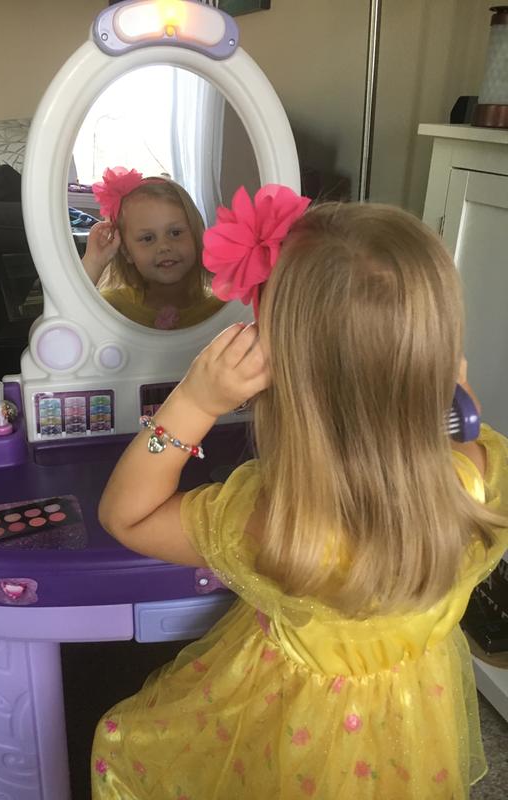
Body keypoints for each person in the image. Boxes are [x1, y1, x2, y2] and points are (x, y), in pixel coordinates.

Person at [90, 187, 508, 799]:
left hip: (295, 726)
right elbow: (455, 419)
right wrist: (450, 396)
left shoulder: (269, 514)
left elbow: (125, 517)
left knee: (123, 742)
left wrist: (192, 404)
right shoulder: (478, 470)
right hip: (417, 710)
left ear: (275, 362)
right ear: (440, 355)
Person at [82, 166, 224, 330]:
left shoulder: (219, 310)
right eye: (148, 238)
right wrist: (94, 262)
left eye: (175, 233)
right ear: (127, 252)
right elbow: (70, 322)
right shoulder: (115, 307)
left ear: (196, 236)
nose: (164, 247)